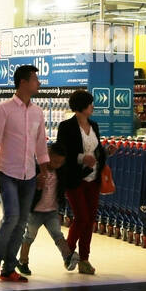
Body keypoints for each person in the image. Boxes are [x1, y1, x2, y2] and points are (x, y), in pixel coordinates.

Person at [0, 64, 50, 282]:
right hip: (6, 172)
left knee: (22, 222)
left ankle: (9, 269)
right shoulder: (2, 110)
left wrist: (43, 171)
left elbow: (41, 144)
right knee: (11, 216)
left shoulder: (37, 112)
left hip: (29, 175)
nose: (38, 83)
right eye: (35, 79)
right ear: (23, 82)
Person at [55, 88, 117, 275]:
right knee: (81, 217)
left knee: (89, 220)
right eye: (90, 103)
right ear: (82, 106)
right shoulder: (66, 127)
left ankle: (84, 259)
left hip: (93, 178)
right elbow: (61, 152)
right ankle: (68, 253)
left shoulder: (94, 126)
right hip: (75, 178)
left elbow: (96, 150)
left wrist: (106, 151)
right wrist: (82, 158)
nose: (93, 106)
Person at [18, 145, 76, 275]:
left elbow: (66, 183)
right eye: (55, 161)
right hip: (35, 212)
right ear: (47, 155)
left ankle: (68, 258)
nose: (57, 165)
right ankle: (23, 261)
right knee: (29, 236)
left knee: (58, 235)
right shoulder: (35, 169)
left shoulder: (60, 172)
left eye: (60, 163)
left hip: (52, 211)